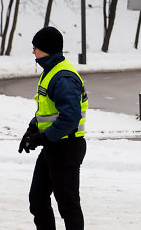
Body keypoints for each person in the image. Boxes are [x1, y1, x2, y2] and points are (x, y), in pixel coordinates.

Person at [18, 26, 88, 230]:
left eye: (35, 47)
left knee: (68, 205)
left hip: (66, 147)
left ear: (46, 49)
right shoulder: (51, 71)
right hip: (55, 145)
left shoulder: (63, 77)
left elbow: (70, 118)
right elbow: (47, 110)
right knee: (38, 199)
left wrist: (44, 138)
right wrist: (31, 130)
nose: (33, 51)